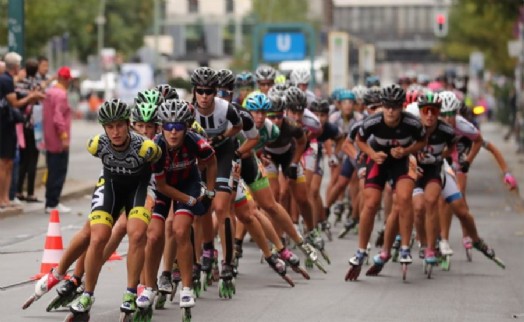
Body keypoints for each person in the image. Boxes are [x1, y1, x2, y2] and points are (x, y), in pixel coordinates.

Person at [0, 52, 44, 211]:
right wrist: (31, 98)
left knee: (10, 162)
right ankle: (3, 197)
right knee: (5, 163)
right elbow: (15, 103)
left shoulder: (10, 80)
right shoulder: (6, 80)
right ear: (16, 66)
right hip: (5, 125)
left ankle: (6, 197)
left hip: (9, 125)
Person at [42, 66, 73, 213]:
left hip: (49, 139)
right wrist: (64, 137)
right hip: (58, 141)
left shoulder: (49, 92)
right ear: (65, 79)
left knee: (52, 170)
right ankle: (53, 203)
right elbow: (58, 118)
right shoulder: (61, 95)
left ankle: (50, 201)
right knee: (59, 171)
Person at [16, 58, 42, 202]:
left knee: (23, 160)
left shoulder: (19, 84)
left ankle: (19, 190)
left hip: (22, 125)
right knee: (33, 159)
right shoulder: (37, 85)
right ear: (36, 70)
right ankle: (30, 192)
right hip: (35, 127)